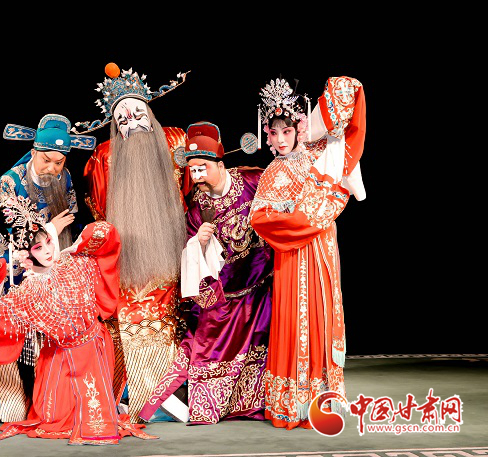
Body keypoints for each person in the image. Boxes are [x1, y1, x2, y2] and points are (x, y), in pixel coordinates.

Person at [0, 195, 156, 445]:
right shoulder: (24, 294)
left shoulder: (75, 263)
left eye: (48, 242)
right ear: (26, 256)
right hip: (59, 358)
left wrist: (78, 244)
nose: (48, 250)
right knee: (54, 419)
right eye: (38, 248)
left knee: (94, 416)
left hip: (94, 349)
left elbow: (105, 232)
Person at [249, 76, 366, 429]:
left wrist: (305, 217)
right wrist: (305, 219)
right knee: (294, 318)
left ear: (301, 127)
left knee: (322, 314)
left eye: (287, 131)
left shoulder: (322, 153)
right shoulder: (272, 172)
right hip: (292, 255)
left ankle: (322, 396)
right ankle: (293, 401)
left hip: (321, 251)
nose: (281, 140)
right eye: (274, 133)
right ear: (267, 134)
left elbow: (349, 97)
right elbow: (260, 219)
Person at [77, 63, 192, 422]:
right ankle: (136, 399)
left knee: (174, 324)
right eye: (123, 120)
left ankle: (169, 399)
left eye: (139, 115)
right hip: (127, 259)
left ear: (151, 114)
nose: (133, 124)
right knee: (124, 328)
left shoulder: (175, 141)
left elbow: (190, 190)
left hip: (169, 250)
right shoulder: (103, 156)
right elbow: (100, 210)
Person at [139, 122, 274, 424]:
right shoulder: (198, 208)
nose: (198, 176)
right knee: (204, 348)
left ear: (220, 164)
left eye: (203, 168)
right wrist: (198, 244)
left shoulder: (253, 180)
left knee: (263, 350)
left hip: (263, 288)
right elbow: (190, 257)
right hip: (226, 297)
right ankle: (171, 403)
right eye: (193, 170)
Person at [0, 113, 96, 423]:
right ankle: (12, 400)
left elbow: (72, 222)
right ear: (33, 153)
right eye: (46, 160)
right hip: (11, 271)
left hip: (47, 268)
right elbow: (5, 233)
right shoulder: (10, 182)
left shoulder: (64, 179)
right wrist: (50, 230)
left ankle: (50, 398)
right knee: (11, 339)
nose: (52, 168)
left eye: (59, 162)